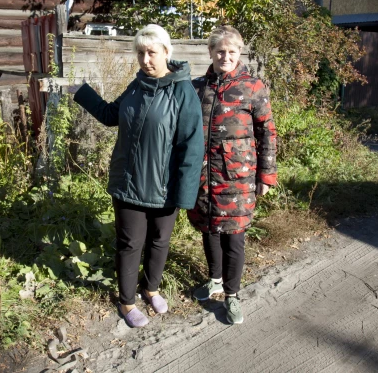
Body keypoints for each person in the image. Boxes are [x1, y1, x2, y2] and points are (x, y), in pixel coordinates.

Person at [71, 24, 204, 328]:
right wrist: (80, 91)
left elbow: (191, 146)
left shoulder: (183, 92)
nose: (145, 59)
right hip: (128, 183)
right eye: (141, 53)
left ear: (167, 53)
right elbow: (109, 116)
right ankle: (127, 301)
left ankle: (151, 288)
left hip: (163, 187)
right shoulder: (135, 86)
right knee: (130, 243)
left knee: (159, 241)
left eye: (151, 53)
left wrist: (184, 195)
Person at [187, 25, 277, 325]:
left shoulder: (253, 87)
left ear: (240, 53)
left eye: (232, 51)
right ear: (211, 52)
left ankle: (232, 296)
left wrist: (266, 176)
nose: (225, 56)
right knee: (209, 230)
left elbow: (267, 132)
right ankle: (214, 279)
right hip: (202, 177)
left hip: (238, 178)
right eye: (220, 51)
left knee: (234, 238)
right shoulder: (197, 88)